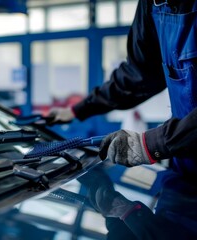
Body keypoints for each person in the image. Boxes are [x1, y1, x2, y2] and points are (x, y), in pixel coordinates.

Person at [47, 0, 197, 234]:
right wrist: (78, 110)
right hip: (185, 172)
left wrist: (152, 144)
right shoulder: (154, 4)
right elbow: (139, 75)